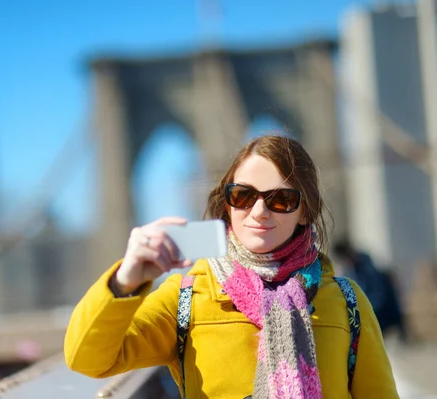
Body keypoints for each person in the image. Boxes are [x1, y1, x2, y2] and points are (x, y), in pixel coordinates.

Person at [64, 135, 398, 398]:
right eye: (243, 195)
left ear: (305, 211)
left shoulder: (345, 302)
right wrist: (124, 282)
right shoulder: (186, 299)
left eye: (281, 199)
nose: (259, 212)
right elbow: (88, 359)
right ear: (227, 202)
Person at [333, 239, 408, 343]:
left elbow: (374, 284)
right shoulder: (345, 270)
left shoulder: (364, 260)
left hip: (377, 300)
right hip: (366, 303)